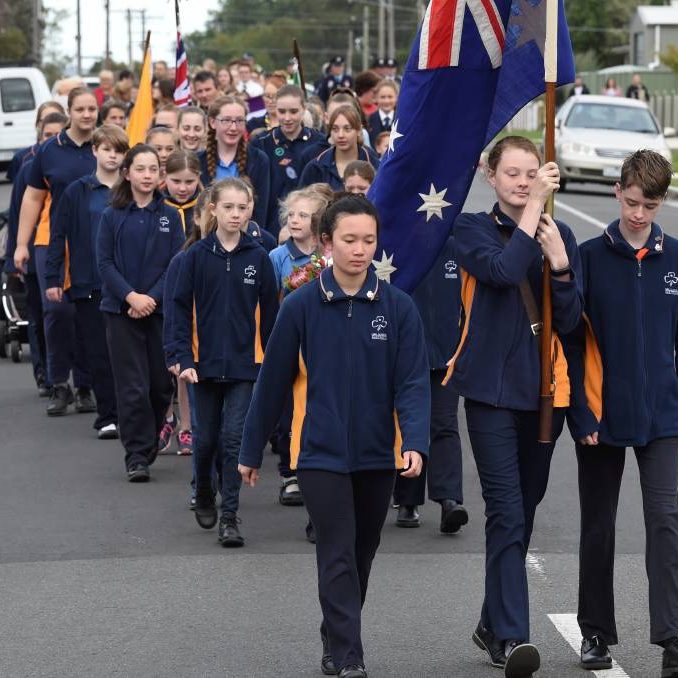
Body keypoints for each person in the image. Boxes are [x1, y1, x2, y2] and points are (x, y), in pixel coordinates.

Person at [238, 193, 430, 678]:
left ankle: (335, 631)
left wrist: (414, 441)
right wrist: (250, 450)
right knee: (337, 551)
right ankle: (350, 656)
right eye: (349, 240)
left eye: (368, 240)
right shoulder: (301, 304)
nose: (360, 249)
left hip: (376, 453)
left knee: (363, 553)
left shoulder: (399, 308)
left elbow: (411, 381)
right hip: (319, 453)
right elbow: (273, 379)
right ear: (326, 242)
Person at [445, 136, 583, 677]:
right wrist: (531, 221)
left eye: (532, 175)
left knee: (522, 515)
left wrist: (562, 264)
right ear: (492, 176)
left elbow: (570, 321)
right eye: (513, 174)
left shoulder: (560, 233)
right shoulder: (470, 228)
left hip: (547, 395)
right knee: (504, 510)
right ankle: (511, 637)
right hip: (489, 394)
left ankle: (488, 621)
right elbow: (502, 271)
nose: (523, 183)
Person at [563, 150, 678, 676]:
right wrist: (581, 416)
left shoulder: (674, 258)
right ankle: (595, 633)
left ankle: (672, 638)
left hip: (665, 418)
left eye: (649, 206)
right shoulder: (588, 255)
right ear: (617, 192)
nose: (638, 214)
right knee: (599, 525)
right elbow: (570, 339)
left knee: (667, 524)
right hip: (602, 416)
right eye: (632, 202)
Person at [173, 178, 278, 546]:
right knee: (205, 441)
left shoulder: (259, 257)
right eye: (229, 207)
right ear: (213, 209)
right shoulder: (195, 257)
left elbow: (270, 316)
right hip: (201, 367)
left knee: (234, 439)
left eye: (242, 208)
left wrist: (272, 362)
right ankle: (203, 488)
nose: (236, 214)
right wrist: (181, 357)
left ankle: (229, 516)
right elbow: (179, 310)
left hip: (246, 366)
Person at [97, 144, 185, 482]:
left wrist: (151, 298)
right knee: (131, 386)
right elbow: (104, 263)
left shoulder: (170, 216)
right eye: (141, 169)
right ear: (127, 173)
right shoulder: (112, 215)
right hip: (120, 311)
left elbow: (176, 264)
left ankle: (148, 439)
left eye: (153, 169)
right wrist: (131, 297)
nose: (147, 175)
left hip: (159, 311)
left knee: (160, 386)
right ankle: (136, 455)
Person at [14, 87, 98, 417]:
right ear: (70, 112)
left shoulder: (105, 146)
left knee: (86, 314)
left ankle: (85, 386)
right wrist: (21, 244)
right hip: (51, 240)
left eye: (92, 108)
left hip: (93, 239)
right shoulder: (49, 151)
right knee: (57, 311)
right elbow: (32, 199)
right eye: (81, 109)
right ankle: (59, 382)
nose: (87, 115)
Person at [44, 124, 129, 440]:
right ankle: (107, 415)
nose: (112, 156)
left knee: (125, 353)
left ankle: (128, 414)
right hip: (87, 282)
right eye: (107, 149)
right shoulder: (76, 191)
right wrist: (53, 276)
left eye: (118, 151)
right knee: (97, 351)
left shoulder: (130, 189)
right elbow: (58, 235)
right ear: (95, 150)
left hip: (127, 285)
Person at [393, 235, 468, 533]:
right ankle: (408, 500)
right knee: (408, 424)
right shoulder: (401, 242)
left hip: (448, 352)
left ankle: (449, 499)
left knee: (444, 423)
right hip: (406, 354)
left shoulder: (457, 247)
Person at [4, 111, 68, 397]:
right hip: (35, 249)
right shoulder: (29, 166)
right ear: (38, 135)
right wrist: (15, 253)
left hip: (64, 247)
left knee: (63, 313)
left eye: (56, 134)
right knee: (40, 313)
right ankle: (44, 374)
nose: (50, 140)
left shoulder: (69, 165)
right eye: (45, 134)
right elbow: (19, 213)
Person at [157, 149, 203, 455]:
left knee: (186, 367)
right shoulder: (159, 208)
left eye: (189, 180)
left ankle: (187, 424)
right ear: (165, 179)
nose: (183, 187)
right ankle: (166, 419)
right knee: (162, 368)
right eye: (176, 180)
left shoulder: (204, 208)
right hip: (156, 294)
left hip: (192, 295)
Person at [249, 84, 325, 237]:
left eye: (294, 111)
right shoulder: (261, 143)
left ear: (304, 109)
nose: (287, 118)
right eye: (282, 111)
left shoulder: (320, 143)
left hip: (311, 229)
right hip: (270, 229)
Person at [200, 96, 270, 227]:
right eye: (226, 120)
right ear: (212, 122)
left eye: (239, 121)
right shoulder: (199, 161)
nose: (233, 127)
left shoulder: (259, 160)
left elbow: (261, 213)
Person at [298, 105, 379, 191]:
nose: (340, 135)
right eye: (335, 129)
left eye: (347, 129)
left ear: (359, 130)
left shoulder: (374, 165)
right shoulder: (316, 167)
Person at [6, 101, 66, 183]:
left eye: (56, 118)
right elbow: (18, 193)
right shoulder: (21, 157)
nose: (50, 122)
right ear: (38, 124)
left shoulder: (76, 154)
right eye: (45, 119)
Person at [367, 79, 398, 147]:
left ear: (396, 98)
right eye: (382, 97)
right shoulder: (369, 120)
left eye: (390, 97)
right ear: (376, 98)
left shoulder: (401, 120)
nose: (386, 101)